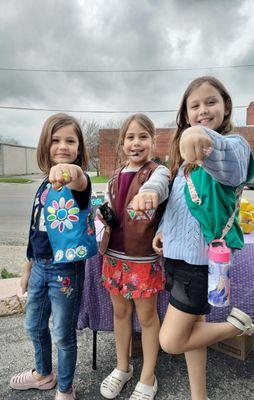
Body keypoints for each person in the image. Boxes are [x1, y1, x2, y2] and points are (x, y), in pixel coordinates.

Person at [133, 76, 254, 400]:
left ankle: (238, 326)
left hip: (198, 266)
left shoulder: (234, 148)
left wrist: (202, 136)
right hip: (175, 259)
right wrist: (162, 232)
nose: (203, 109)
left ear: (226, 106)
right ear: (185, 113)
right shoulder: (185, 163)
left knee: (171, 340)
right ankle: (199, 396)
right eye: (195, 105)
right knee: (193, 333)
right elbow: (178, 206)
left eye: (210, 102)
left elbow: (229, 164)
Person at [10, 113, 97, 400]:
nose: (63, 146)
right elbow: (34, 230)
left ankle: (65, 388)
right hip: (38, 269)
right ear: (44, 145)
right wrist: (26, 269)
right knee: (33, 325)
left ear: (79, 148)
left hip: (65, 272)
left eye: (70, 141)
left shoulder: (78, 184)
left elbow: (81, 182)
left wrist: (73, 173)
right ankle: (43, 374)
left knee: (62, 333)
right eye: (56, 140)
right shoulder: (43, 185)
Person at [99, 113, 169, 400]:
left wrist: (149, 193)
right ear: (122, 143)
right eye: (130, 137)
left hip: (142, 260)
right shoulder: (114, 176)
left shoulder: (159, 172)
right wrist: (102, 214)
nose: (136, 142)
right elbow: (108, 204)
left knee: (148, 317)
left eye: (143, 136)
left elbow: (159, 189)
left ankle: (148, 376)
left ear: (153, 141)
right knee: (120, 313)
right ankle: (122, 367)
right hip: (113, 256)